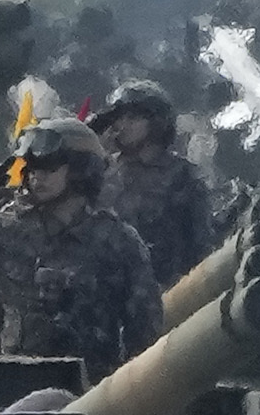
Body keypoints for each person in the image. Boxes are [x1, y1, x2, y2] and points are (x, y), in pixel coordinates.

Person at [0, 117, 166, 373]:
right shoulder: (5, 228)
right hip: (14, 385)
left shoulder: (117, 240)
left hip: (92, 392)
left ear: (80, 170)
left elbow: (145, 332)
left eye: (49, 169)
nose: (36, 177)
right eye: (32, 168)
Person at [85, 75, 229, 289]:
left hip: (162, 290)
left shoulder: (182, 176)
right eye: (119, 118)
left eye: (132, 118)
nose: (121, 126)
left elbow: (200, 247)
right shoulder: (102, 171)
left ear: (157, 122)